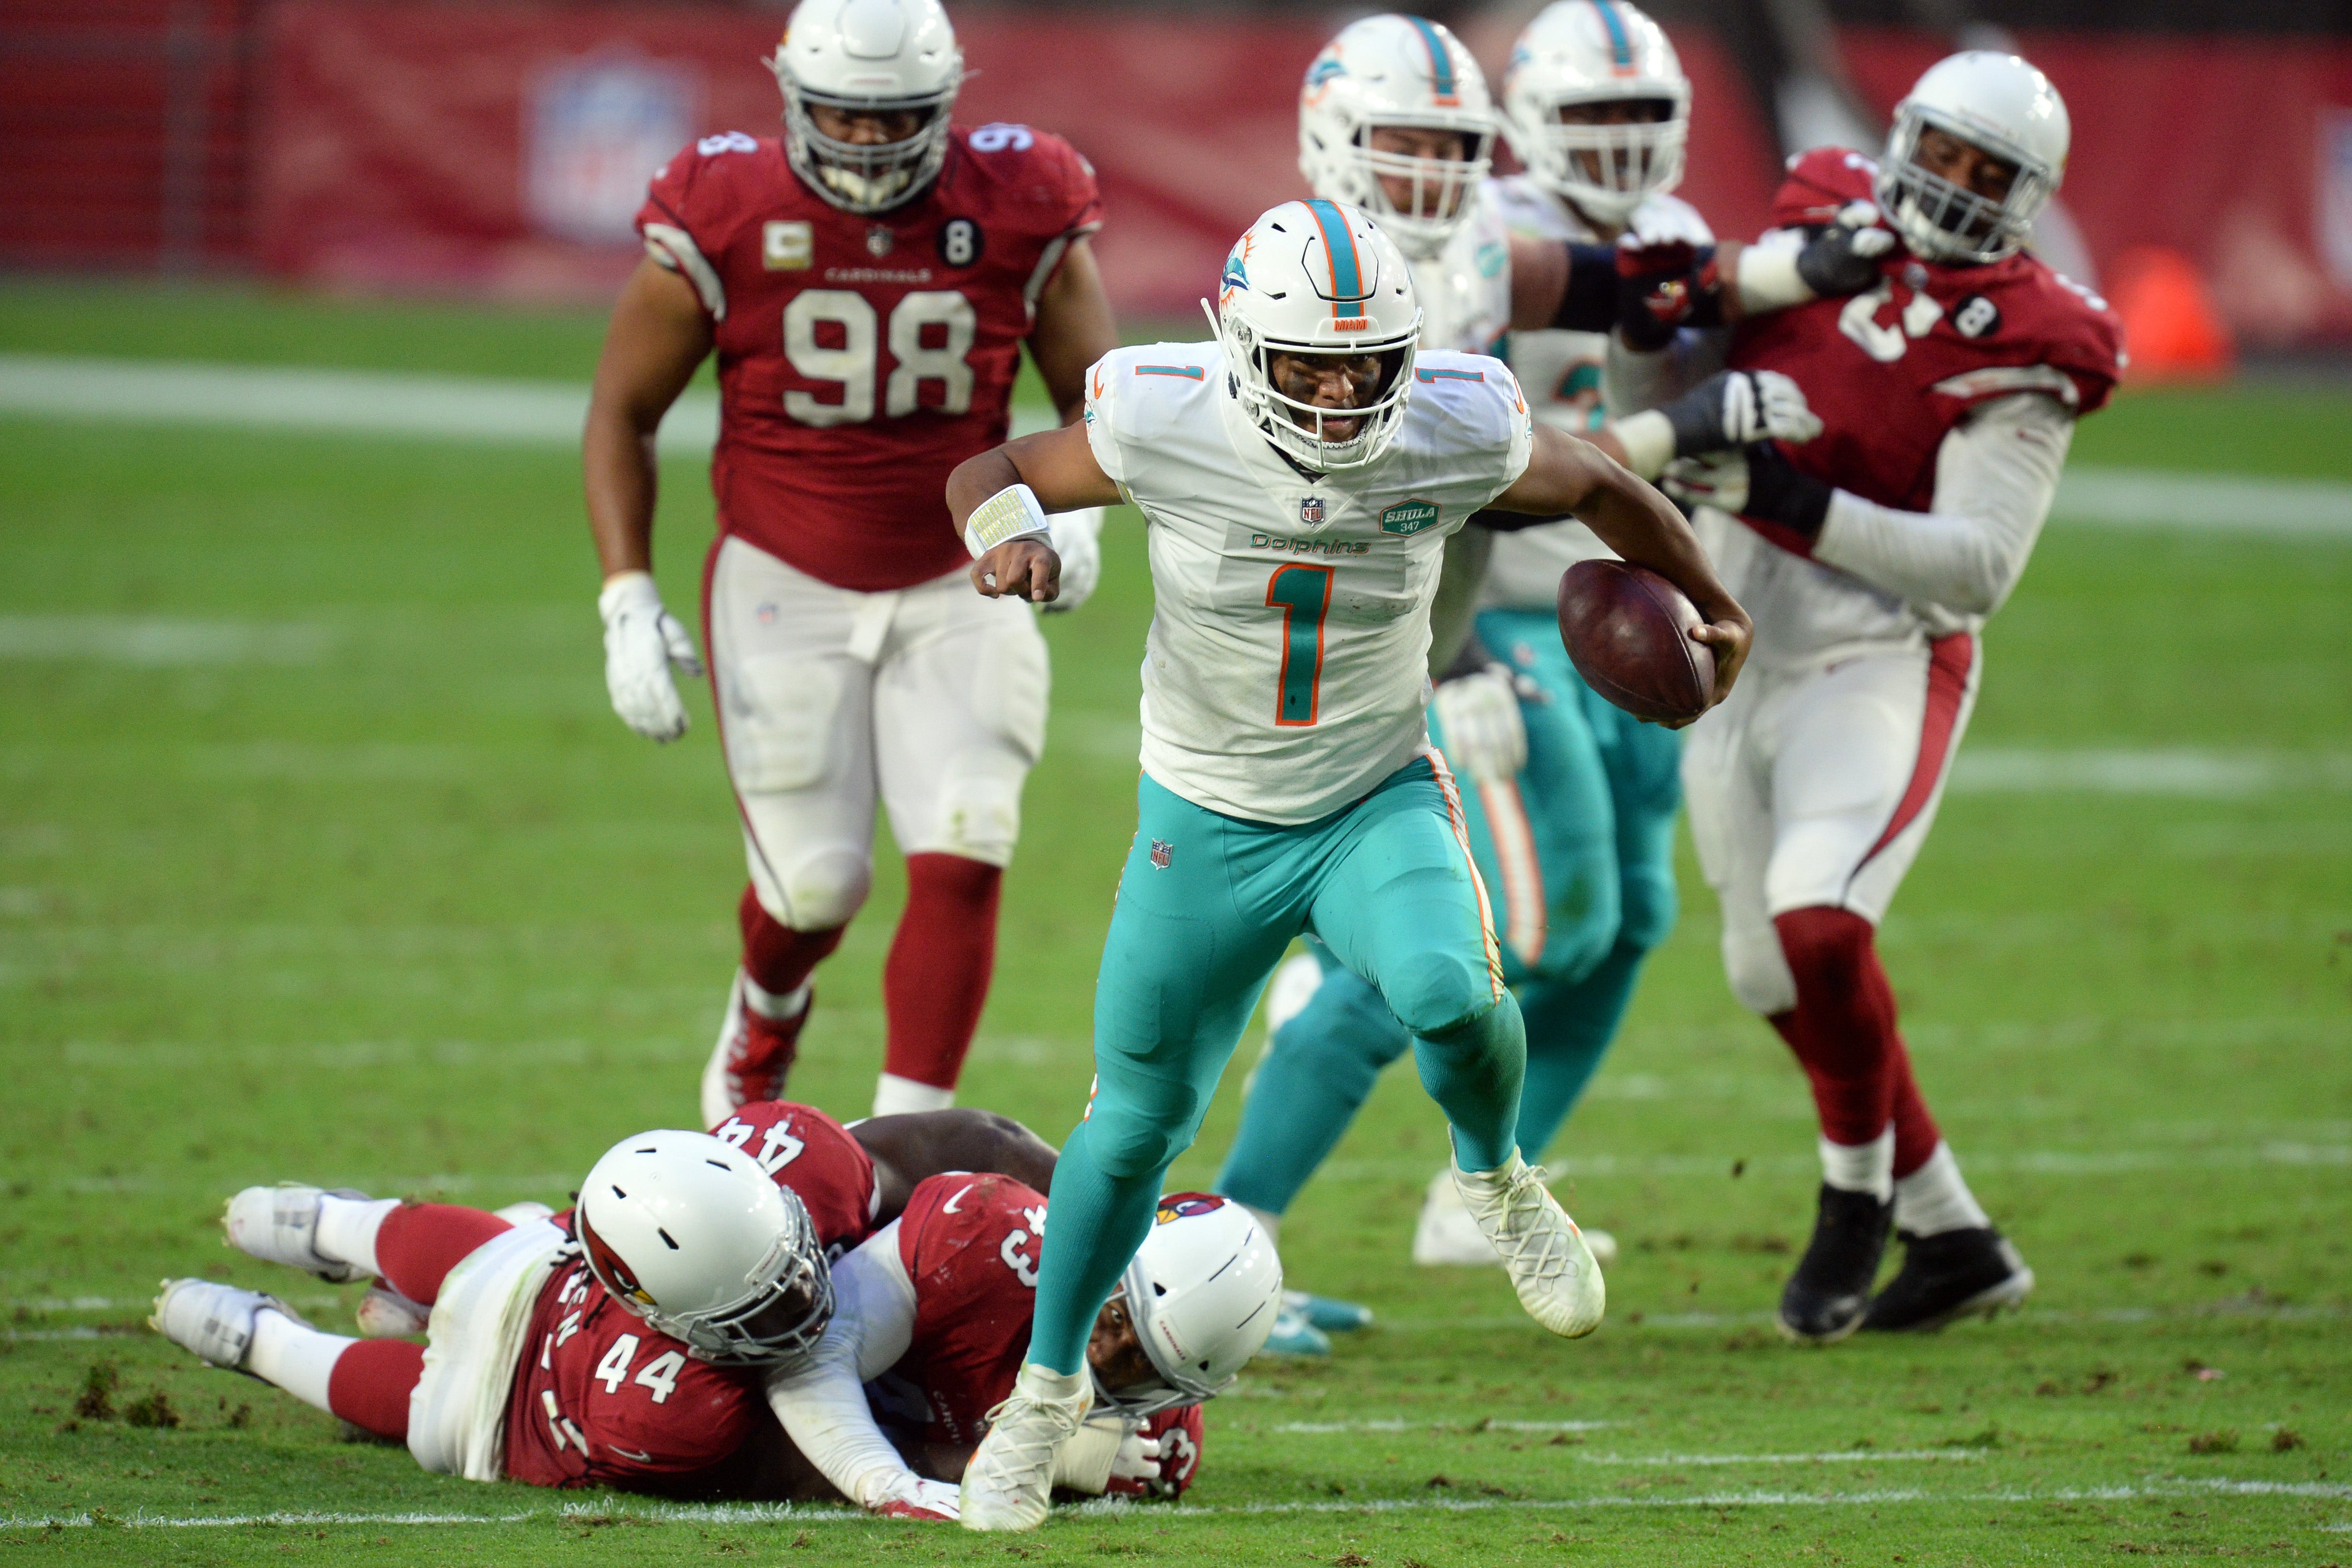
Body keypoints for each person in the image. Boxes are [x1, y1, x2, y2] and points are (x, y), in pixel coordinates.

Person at [941, 197, 1753, 1531]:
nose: (1334, 391)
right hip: (1201, 816)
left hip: (1374, 792)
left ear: (1404, 355)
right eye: (1306, 363)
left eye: (1362, 364)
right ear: (1238, 346)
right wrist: (1008, 537)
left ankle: (1495, 1178)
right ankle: (1039, 1401)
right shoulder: (1163, 413)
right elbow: (989, 469)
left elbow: (1605, 488)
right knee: (1134, 1128)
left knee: (1452, 990)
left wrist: (1717, 612)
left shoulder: (1456, 418)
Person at [1218, 6, 1833, 1347]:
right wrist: (1464, 656)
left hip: (1552, 599)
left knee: (1617, 918)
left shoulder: (1474, 243)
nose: (1430, 176)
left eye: (1450, 147)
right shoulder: (1335, 282)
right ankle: (1233, 1238)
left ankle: (1428, 1199)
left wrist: (1810, 269)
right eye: (1402, 147)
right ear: (1334, 140)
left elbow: (1622, 292)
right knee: (1496, 937)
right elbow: (1433, 489)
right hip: (1426, 628)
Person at [580, 0, 1119, 1127]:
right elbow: (623, 411)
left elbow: (1099, 398)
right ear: (792, 100)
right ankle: (764, 1017)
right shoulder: (726, 206)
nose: (868, 144)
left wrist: (1078, 520)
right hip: (785, 572)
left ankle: (898, 1145)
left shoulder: (1018, 200)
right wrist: (626, 594)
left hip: (960, 572)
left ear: (945, 107)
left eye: (896, 120)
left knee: (969, 840)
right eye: (844, 117)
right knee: (817, 887)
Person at [1660, 51, 2123, 1341]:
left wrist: (1780, 495)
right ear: (1900, 138)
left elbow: (1974, 567)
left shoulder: (2030, 335)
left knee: (1817, 925)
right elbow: (1691, 326)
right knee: (1763, 972)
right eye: (1947, 154)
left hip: (1877, 651)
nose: (1959, 189)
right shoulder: (1820, 214)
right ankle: (1955, 1233)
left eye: (1992, 175)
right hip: (1732, 633)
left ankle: (1852, 1196)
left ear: (2028, 196)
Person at [149, 1104, 1056, 1496]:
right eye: (756, 1314)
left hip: (556, 1281)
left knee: (459, 1313)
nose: (798, 1315)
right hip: (522, 1405)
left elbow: (970, 1136)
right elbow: (826, 1453)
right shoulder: (681, 1412)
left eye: (794, 1269)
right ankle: (309, 1270)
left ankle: (264, 1333)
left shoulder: (794, 1167)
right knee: (442, 1364)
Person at [762, 1181, 1277, 1519]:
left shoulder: (1158, 1447)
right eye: (1116, 1317)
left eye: (1142, 1365)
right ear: (1107, 1265)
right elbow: (800, 1357)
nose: (1103, 1357)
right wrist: (1028, 1457)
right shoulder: (990, 1238)